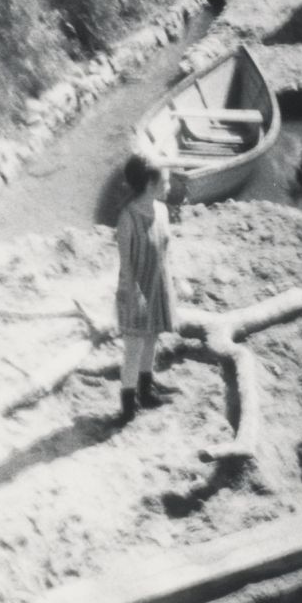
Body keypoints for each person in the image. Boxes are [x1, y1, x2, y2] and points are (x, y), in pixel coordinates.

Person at [116, 151, 178, 422]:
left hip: (158, 285)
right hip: (136, 291)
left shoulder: (162, 211)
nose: (170, 184)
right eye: (165, 181)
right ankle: (128, 407)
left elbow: (166, 250)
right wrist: (134, 296)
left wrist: (175, 280)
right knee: (133, 350)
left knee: (152, 339)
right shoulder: (127, 219)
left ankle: (146, 390)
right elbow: (126, 264)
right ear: (150, 185)